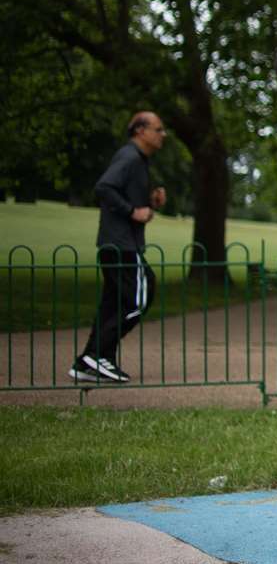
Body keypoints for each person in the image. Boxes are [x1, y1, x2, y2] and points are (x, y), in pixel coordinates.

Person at [71, 112, 167, 384]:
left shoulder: (138, 161)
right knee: (140, 298)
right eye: (158, 129)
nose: (163, 135)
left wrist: (150, 202)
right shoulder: (129, 157)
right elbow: (104, 187)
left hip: (116, 243)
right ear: (140, 131)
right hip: (122, 245)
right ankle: (96, 354)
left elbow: (128, 198)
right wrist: (132, 211)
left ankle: (88, 362)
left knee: (113, 305)